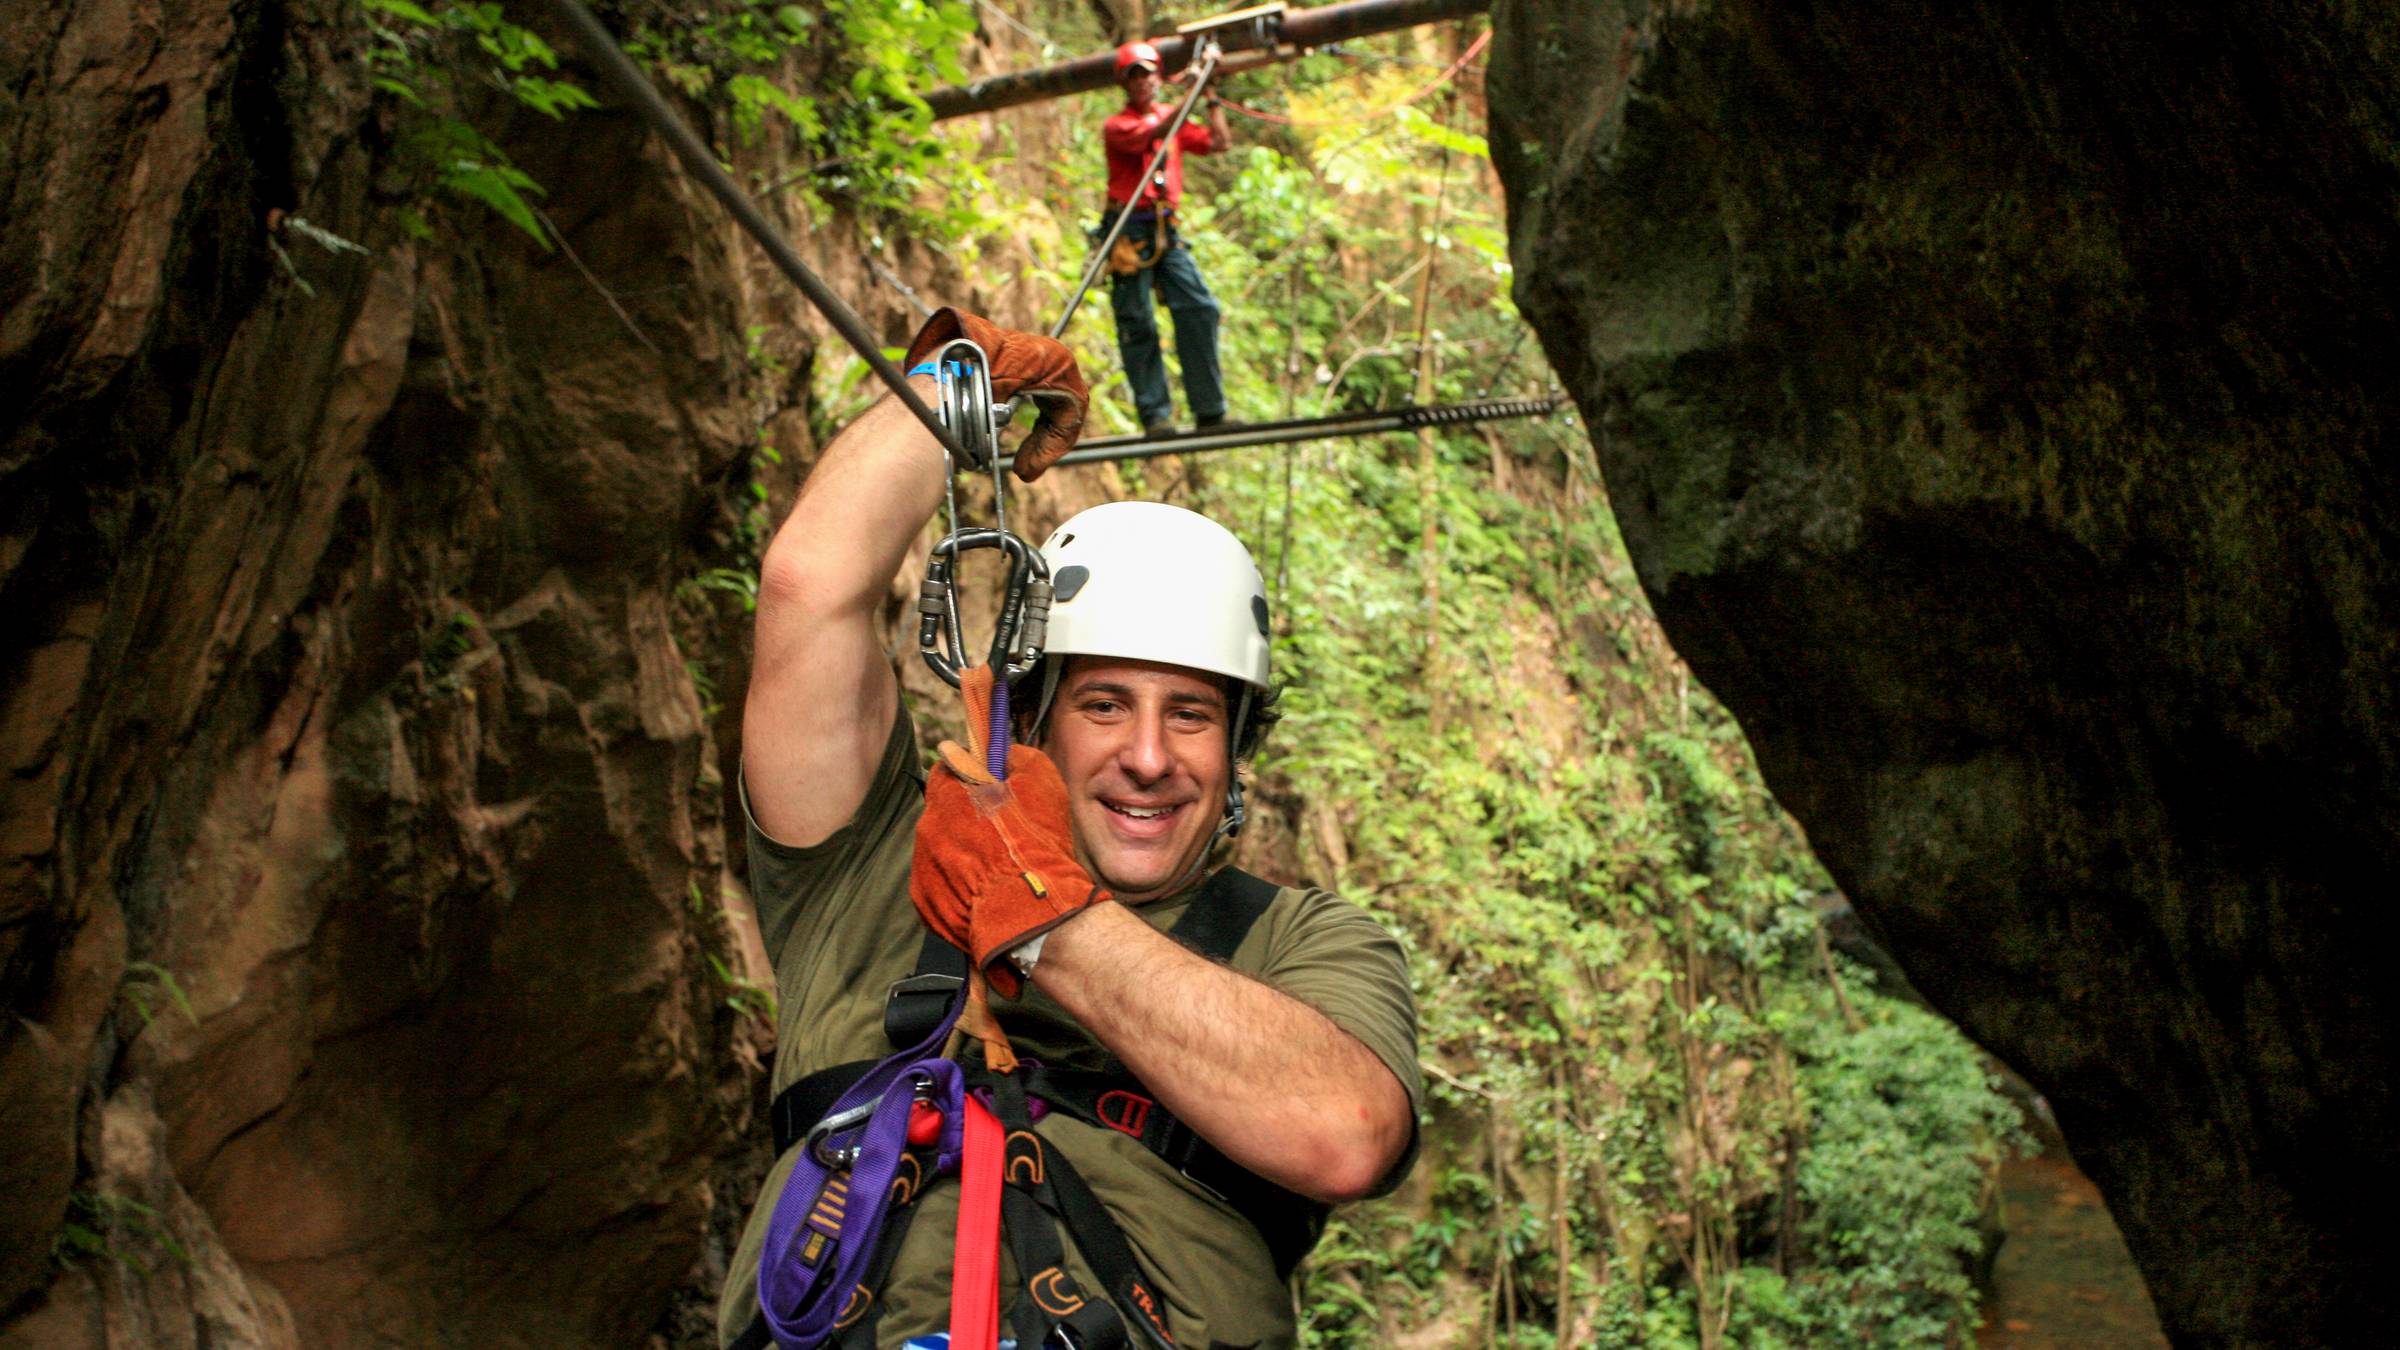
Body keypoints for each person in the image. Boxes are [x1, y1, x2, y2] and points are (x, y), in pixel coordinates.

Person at [719, 308, 1419, 1349]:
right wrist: (946, 396)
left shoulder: (1301, 945)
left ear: (1234, 753)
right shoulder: (873, 876)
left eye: (1191, 715)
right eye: (1105, 707)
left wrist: (1041, 916)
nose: (1148, 755)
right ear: (1034, 721)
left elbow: (1345, 1131)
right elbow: (808, 590)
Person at [1103, 40, 1234, 439]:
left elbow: (1218, 143)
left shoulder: (1169, 118)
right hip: (1128, 229)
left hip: (1164, 226)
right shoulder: (1118, 126)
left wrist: (1209, 94)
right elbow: (1157, 131)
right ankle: (1156, 415)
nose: (1143, 82)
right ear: (1126, 84)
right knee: (1137, 320)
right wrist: (1195, 90)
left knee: (1199, 307)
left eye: (1148, 73)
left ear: (1159, 77)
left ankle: (1209, 410)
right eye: (1134, 76)